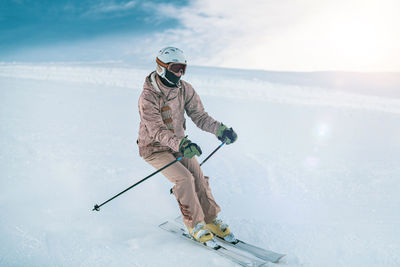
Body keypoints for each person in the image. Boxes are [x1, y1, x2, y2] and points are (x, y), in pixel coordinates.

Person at [137, 47, 238, 244]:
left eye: (183, 68)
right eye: (175, 68)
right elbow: (156, 131)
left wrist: (220, 130)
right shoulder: (148, 97)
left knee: (198, 176)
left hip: (179, 146)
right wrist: (181, 143)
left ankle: (210, 219)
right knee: (184, 179)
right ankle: (194, 224)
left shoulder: (185, 89)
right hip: (154, 148)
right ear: (161, 68)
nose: (180, 73)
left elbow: (199, 116)